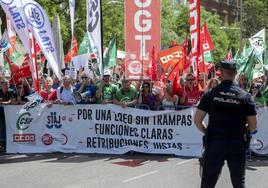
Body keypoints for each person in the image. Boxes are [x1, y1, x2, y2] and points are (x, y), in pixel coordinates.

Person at [194, 60, 257, 188]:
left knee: (208, 181)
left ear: (221, 73)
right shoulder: (245, 97)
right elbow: (253, 125)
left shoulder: (210, 95)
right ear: (235, 73)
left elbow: (197, 120)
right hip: (237, 143)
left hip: (216, 142)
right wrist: (243, 130)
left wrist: (207, 131)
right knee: (239, 182)